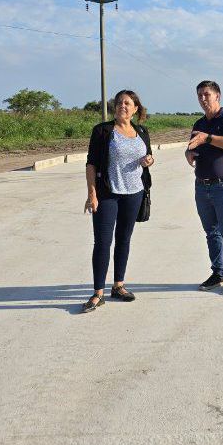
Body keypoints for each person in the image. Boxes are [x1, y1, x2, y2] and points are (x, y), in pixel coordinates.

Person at [82, 90, 155, 312]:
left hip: (134, 193)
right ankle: (98, 293)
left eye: (128, 103)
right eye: (119, 102)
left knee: (124, 239)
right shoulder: (103, 131)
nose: (122, 105)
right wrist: (92, 194)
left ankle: (119, 286)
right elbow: (91, 164)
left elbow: (148, 157)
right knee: (102, 243)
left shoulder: (142, 131)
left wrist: (148, 161)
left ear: (136, 109)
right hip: (108, 194)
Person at [186, 80, 223, 295]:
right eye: (200, 95)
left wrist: (208, 138)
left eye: (207, 94)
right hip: (202, 186)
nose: (203, 99)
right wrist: (189, 154)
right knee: (211, 232)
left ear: (217, 96)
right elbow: (191, 146)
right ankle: (218, 273)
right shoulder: (199, 123)